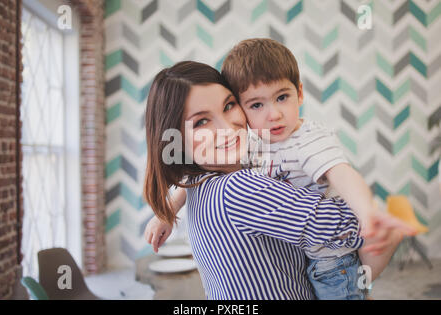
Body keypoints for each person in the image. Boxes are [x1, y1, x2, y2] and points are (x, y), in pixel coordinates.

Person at [143, 60, 415, 299]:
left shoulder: (200, 183)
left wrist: (167, 212)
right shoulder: (239, 188)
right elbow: (348, 228)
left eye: (228, 105)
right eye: (202, 122)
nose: (227, 128)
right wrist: (378, 215)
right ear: (177, 139)